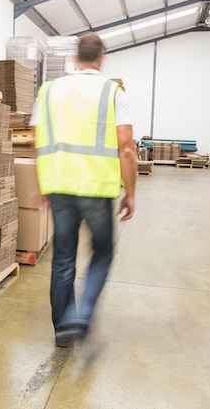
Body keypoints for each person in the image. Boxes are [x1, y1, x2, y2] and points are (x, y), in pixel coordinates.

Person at [31, 32, 137, 347]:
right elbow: (127, 148)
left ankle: (63, 329)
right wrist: (130, 193)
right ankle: (83, 313)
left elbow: (38, 141)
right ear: (101, 58)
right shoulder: (113, 92)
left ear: (76, 59)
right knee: (102, 252)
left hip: (60, 187)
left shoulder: (48, 91)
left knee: (63, 256)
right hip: (97, 188)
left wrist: (43, 183)